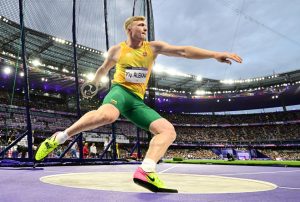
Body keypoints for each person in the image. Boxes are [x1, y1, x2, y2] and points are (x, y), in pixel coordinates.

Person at [35, 16, 242, 192]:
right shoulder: (118, 50)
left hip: (136, 101)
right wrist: (94, 84)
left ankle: (146, 171)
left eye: (146, 26)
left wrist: (215, 54)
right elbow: (103, 68)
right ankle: (59, 137)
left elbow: (184, 51)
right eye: (141, 25)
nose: (145, 28)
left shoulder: (153, 48)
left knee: (168, 131)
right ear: (129, 29)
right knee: (108, 115)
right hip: (120, 92)